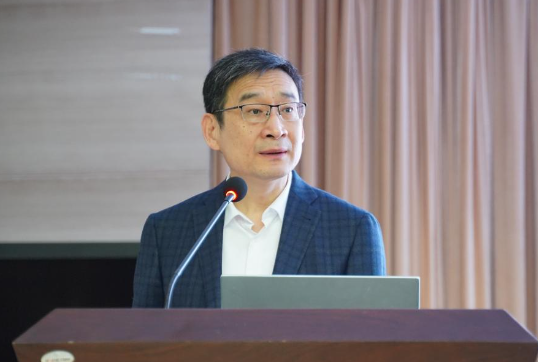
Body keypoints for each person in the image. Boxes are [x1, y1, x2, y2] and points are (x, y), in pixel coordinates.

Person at [133, 48, 386, 308]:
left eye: (288, 110)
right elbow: (142, 332)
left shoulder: (351, 229)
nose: (276, 129)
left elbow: (370, 331)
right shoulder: (167, 231)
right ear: (212, 130)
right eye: (254, 111)